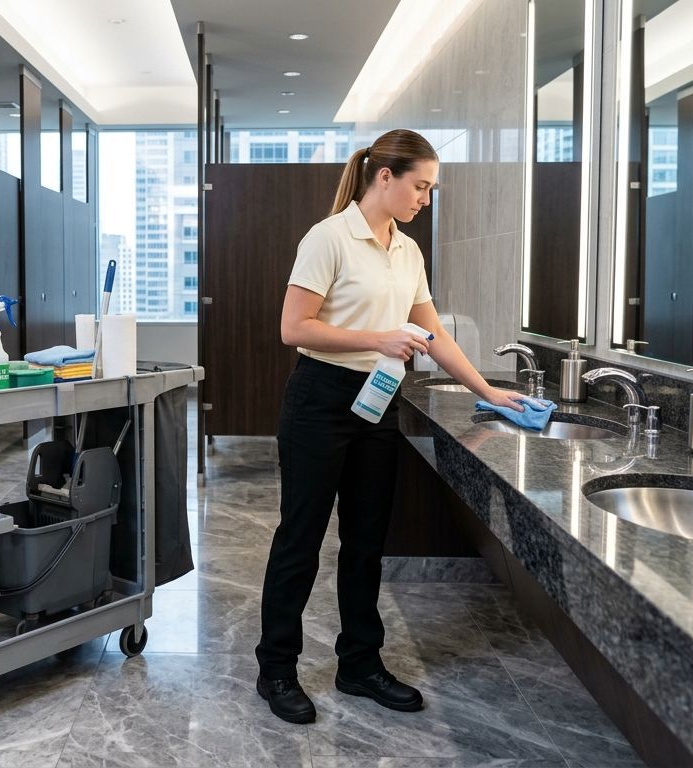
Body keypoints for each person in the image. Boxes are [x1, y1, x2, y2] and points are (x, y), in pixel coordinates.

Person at [255, 129, 529, 725]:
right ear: (385, 176)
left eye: (430, 188)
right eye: (421, 185)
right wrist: (379, 337)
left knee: (366, 541)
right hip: (320, 399)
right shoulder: (327, 238)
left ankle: (359, 663)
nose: (425, 199)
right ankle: (276, 669)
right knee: (300, 538)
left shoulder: (407, 252)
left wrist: (488, 391)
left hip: (378, 402)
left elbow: (434, 333)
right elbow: (294, 328)